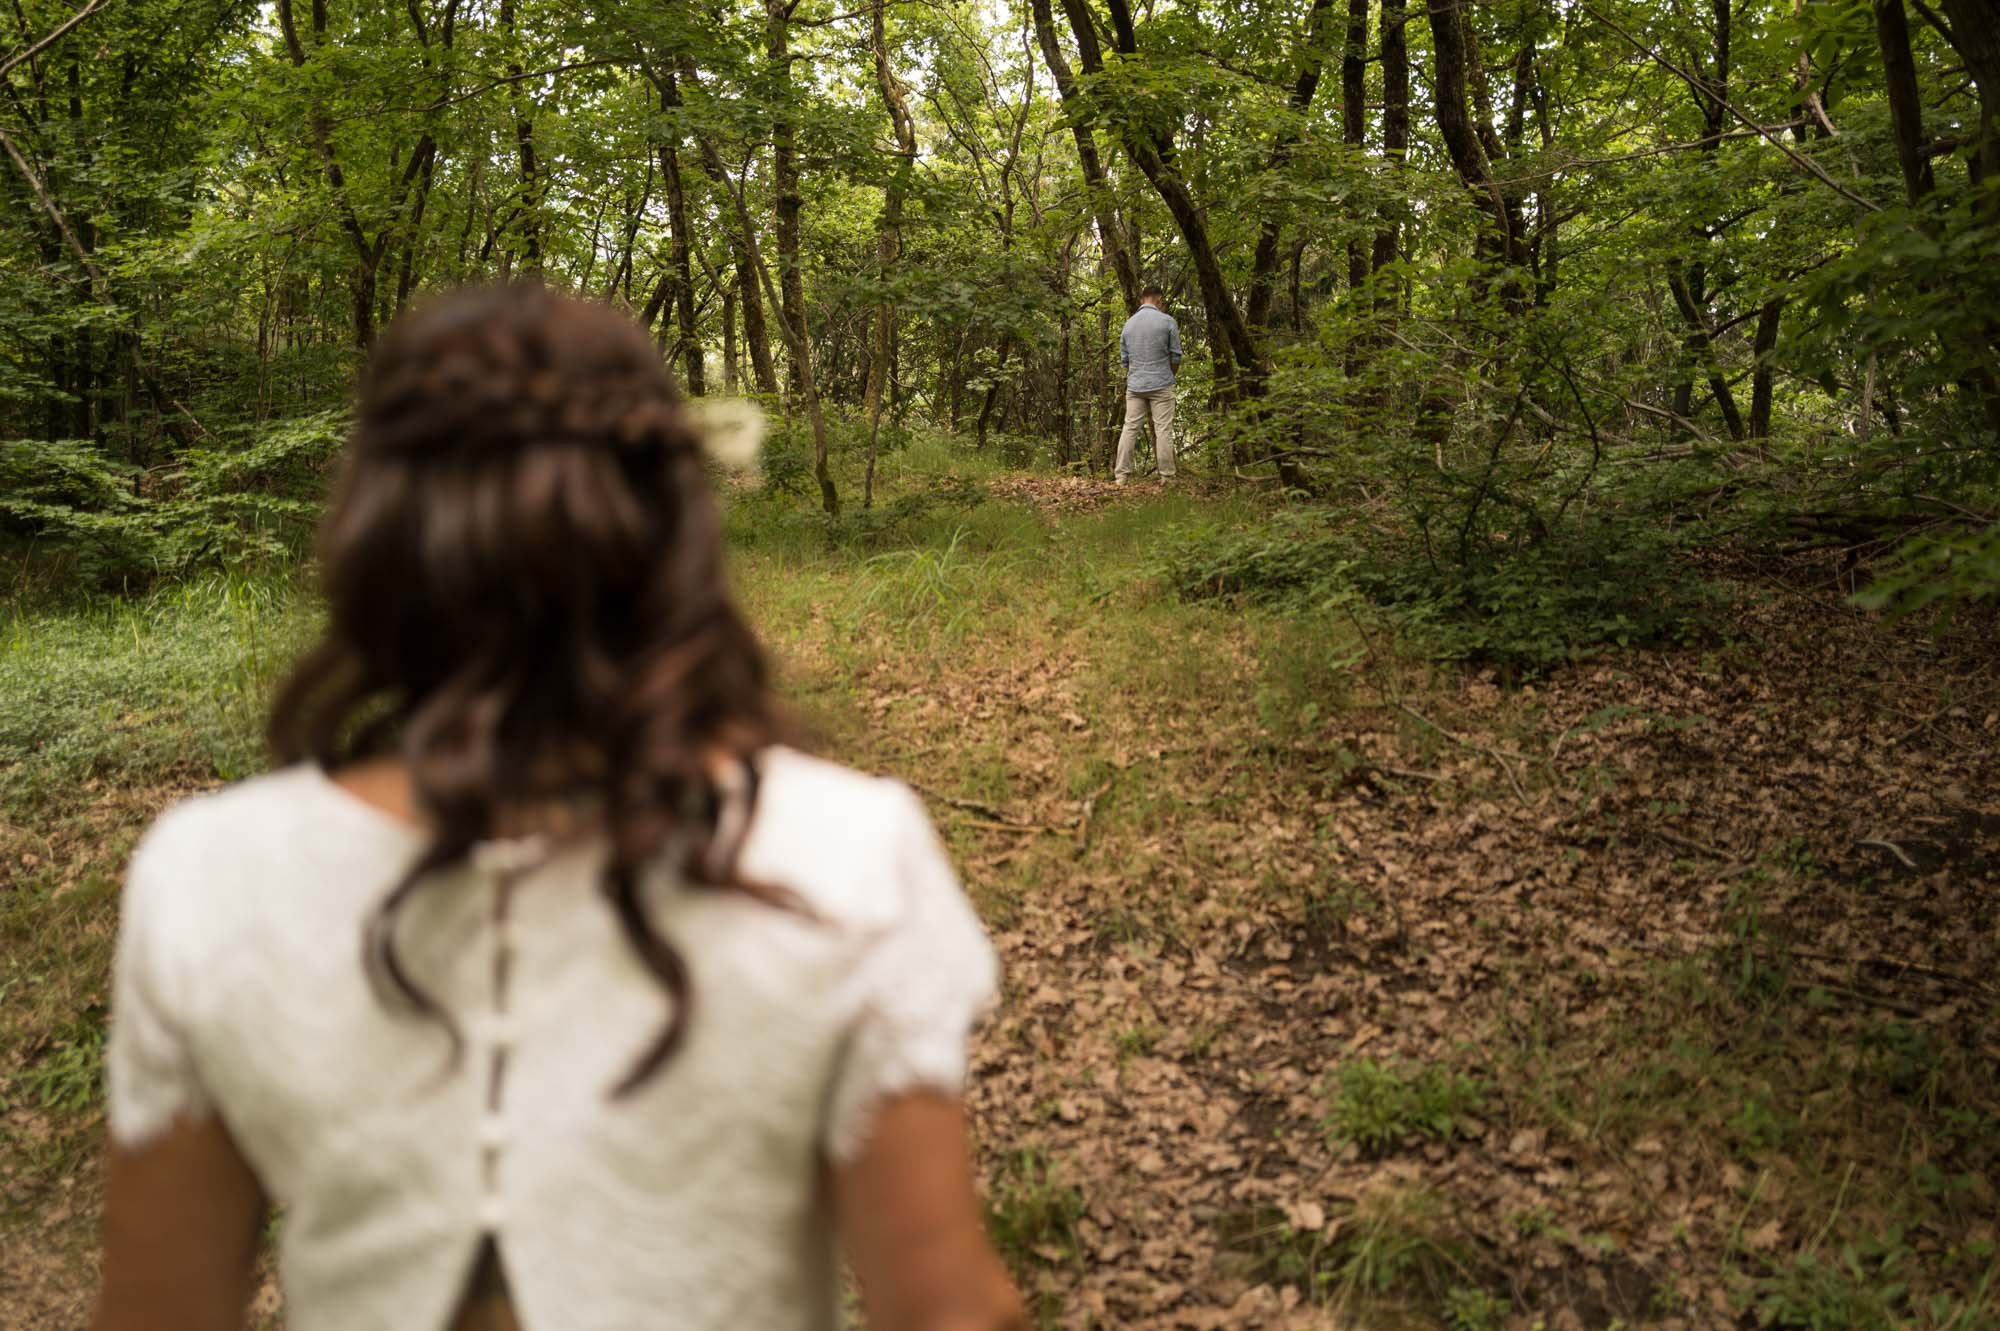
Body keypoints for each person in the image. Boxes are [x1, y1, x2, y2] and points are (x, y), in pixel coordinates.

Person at [91, 284, 1027, 1331]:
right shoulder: (846, 852)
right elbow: (948, 1309)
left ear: (375, 532)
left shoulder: (210, 874)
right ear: (669, 525)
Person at [1115, 284, 1183, 485]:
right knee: (1163, 430)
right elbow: (1176, 356)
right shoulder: (1168, 322)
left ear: (1141, 300)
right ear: (1159, 300)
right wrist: (1169, 375)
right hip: (1162, 383)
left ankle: (1121, 477)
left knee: (1129, 428)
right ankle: (1167, 477)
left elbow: (1125, 361)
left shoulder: (1128, 324)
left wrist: (1138, 375)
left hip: (1136, 386)